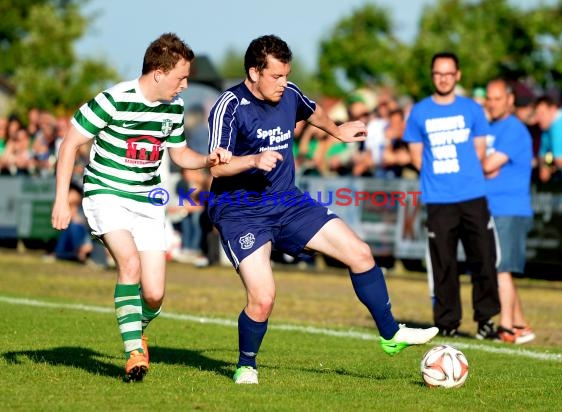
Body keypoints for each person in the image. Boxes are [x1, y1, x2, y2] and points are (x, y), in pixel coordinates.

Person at [207, 34, 438, 385]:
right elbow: (217, 167)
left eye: (286, 75)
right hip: (241, 211)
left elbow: (312, 111)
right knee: (264, 297)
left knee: (360, 253)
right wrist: (252, 159)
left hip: (287, 202)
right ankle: (246, 364)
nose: (283, 84)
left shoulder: (290, 94)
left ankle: (390, 335)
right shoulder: (229, 106)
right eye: (276, 76)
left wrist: (338, 132)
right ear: (254, 73)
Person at [51, 33, 231, 382]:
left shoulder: (174, 108)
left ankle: (138, 328)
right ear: (158, 73)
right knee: (129, 265)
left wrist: (207, 159)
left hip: (147, 200)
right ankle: (134, 353)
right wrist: (61, 199)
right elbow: (70, 143)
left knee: (154, 292)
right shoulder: (114, 99)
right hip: (106, 194)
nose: (185, 84)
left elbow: (179, 155)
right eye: (181, 77)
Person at [403, 51, 500, 340]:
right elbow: (416, 155)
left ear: (457, 75)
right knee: (444, 264)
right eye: (438, 73)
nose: (443, 78)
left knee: (483, 259)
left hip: (473, 196)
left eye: (448, 73)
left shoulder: (472, 109)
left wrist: (464, 176)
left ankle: (485, 321)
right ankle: (447, 323)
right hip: (439, 199)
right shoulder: (419, 112)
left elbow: (480, 150)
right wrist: (440, 177)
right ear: (432, 76)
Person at [483, 78, 535, 344]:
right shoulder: (490, 127)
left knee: (501, 269)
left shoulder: (513, 129)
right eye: (489, 98)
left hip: (509, 208)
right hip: (493, 207)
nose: (492, 104)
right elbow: (485, 165)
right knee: (503, 270)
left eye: (497, 98)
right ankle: (520, 326)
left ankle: (505, 327)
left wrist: (483, 164)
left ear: (510, 100)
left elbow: (489, 164)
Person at [534, 95, 562, 184]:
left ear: (553, 109)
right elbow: (544, 153)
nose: (538, 118)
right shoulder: (547, 128)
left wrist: (548, 166)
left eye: (542, 113)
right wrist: (546, 164)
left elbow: (560, 161)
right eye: (537, 114)